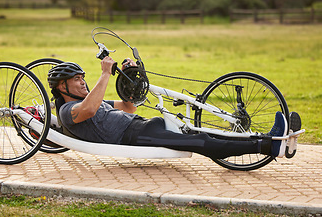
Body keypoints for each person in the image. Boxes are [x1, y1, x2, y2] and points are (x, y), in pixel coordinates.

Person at [47, 57, 297, 160]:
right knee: (201, 142)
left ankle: (273, 138)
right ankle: (268, 145)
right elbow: (89, 111)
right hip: (135, 136)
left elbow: (128, 107)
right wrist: (104, 74)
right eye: (76, 79)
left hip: (145, 124)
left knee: (203, 132)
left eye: (82, 77)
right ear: (62, 86)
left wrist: (128, 78)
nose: (82, 81)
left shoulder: (91, 100)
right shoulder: (68, 113)